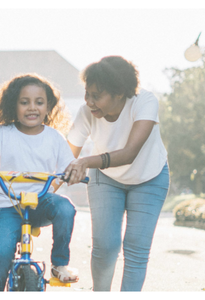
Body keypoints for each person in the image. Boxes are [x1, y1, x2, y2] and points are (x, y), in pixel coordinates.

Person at [0, 73, 80, 291]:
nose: (32, 108)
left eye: (39, 102)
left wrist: (73, 174)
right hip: (7, 204)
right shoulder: (3, 134)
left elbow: (67, 168)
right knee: (1, 253)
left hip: (40, 201)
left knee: (65, 207)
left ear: (48, 106)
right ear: (13, 105)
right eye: (24, 102)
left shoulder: (54, 138)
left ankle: (59, 264)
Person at [63, 56, 170, 291]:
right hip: (106, 178)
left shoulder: (145, 102)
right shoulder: (86, 113)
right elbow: (66, 158)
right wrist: (41, 191)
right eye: (87, 94)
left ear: (119, 92)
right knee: (106, 245)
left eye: (96, 96)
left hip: (149, 178)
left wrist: (87, 161)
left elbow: (130, 153)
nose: (89, 102)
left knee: (137, 246)